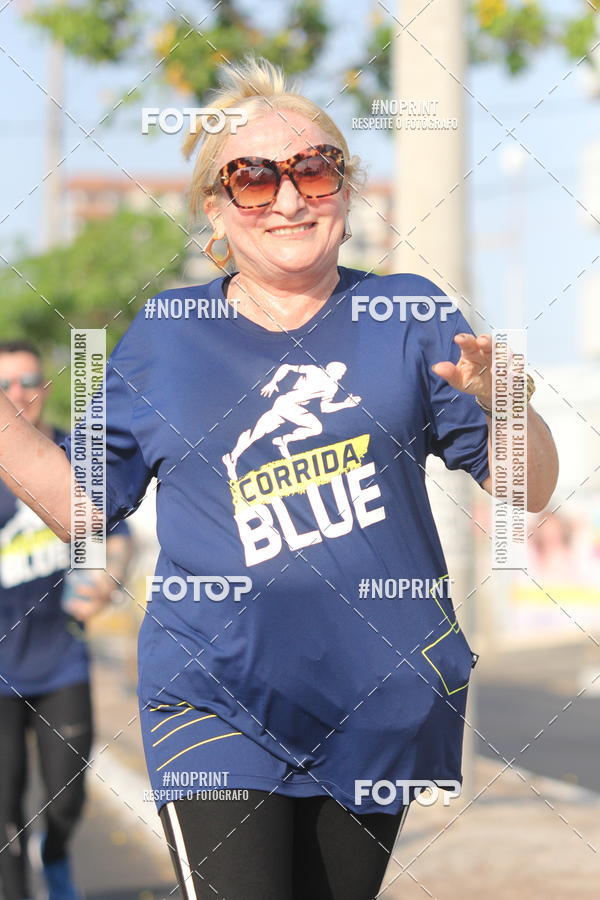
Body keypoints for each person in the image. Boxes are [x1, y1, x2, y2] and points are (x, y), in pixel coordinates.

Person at [0, 56, 558, 900]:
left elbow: (528, 487)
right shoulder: (169, 334)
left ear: (346, 190)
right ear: (216, 211)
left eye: (314, 171)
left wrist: (510, 404)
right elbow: (81, 506)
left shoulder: (408, 316)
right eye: (254, 180)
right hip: (214, 696)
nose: (290, 199)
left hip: (376, 702)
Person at [0, 341, 132, 900]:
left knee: (66, 800)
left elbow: (116, 537)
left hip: (62, 665)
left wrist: (106, 580)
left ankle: (53, 852)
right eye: (4, 386)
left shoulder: (75, 458)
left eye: (28, 381)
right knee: (3, 813)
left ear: (45, 387)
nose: (18, 395)